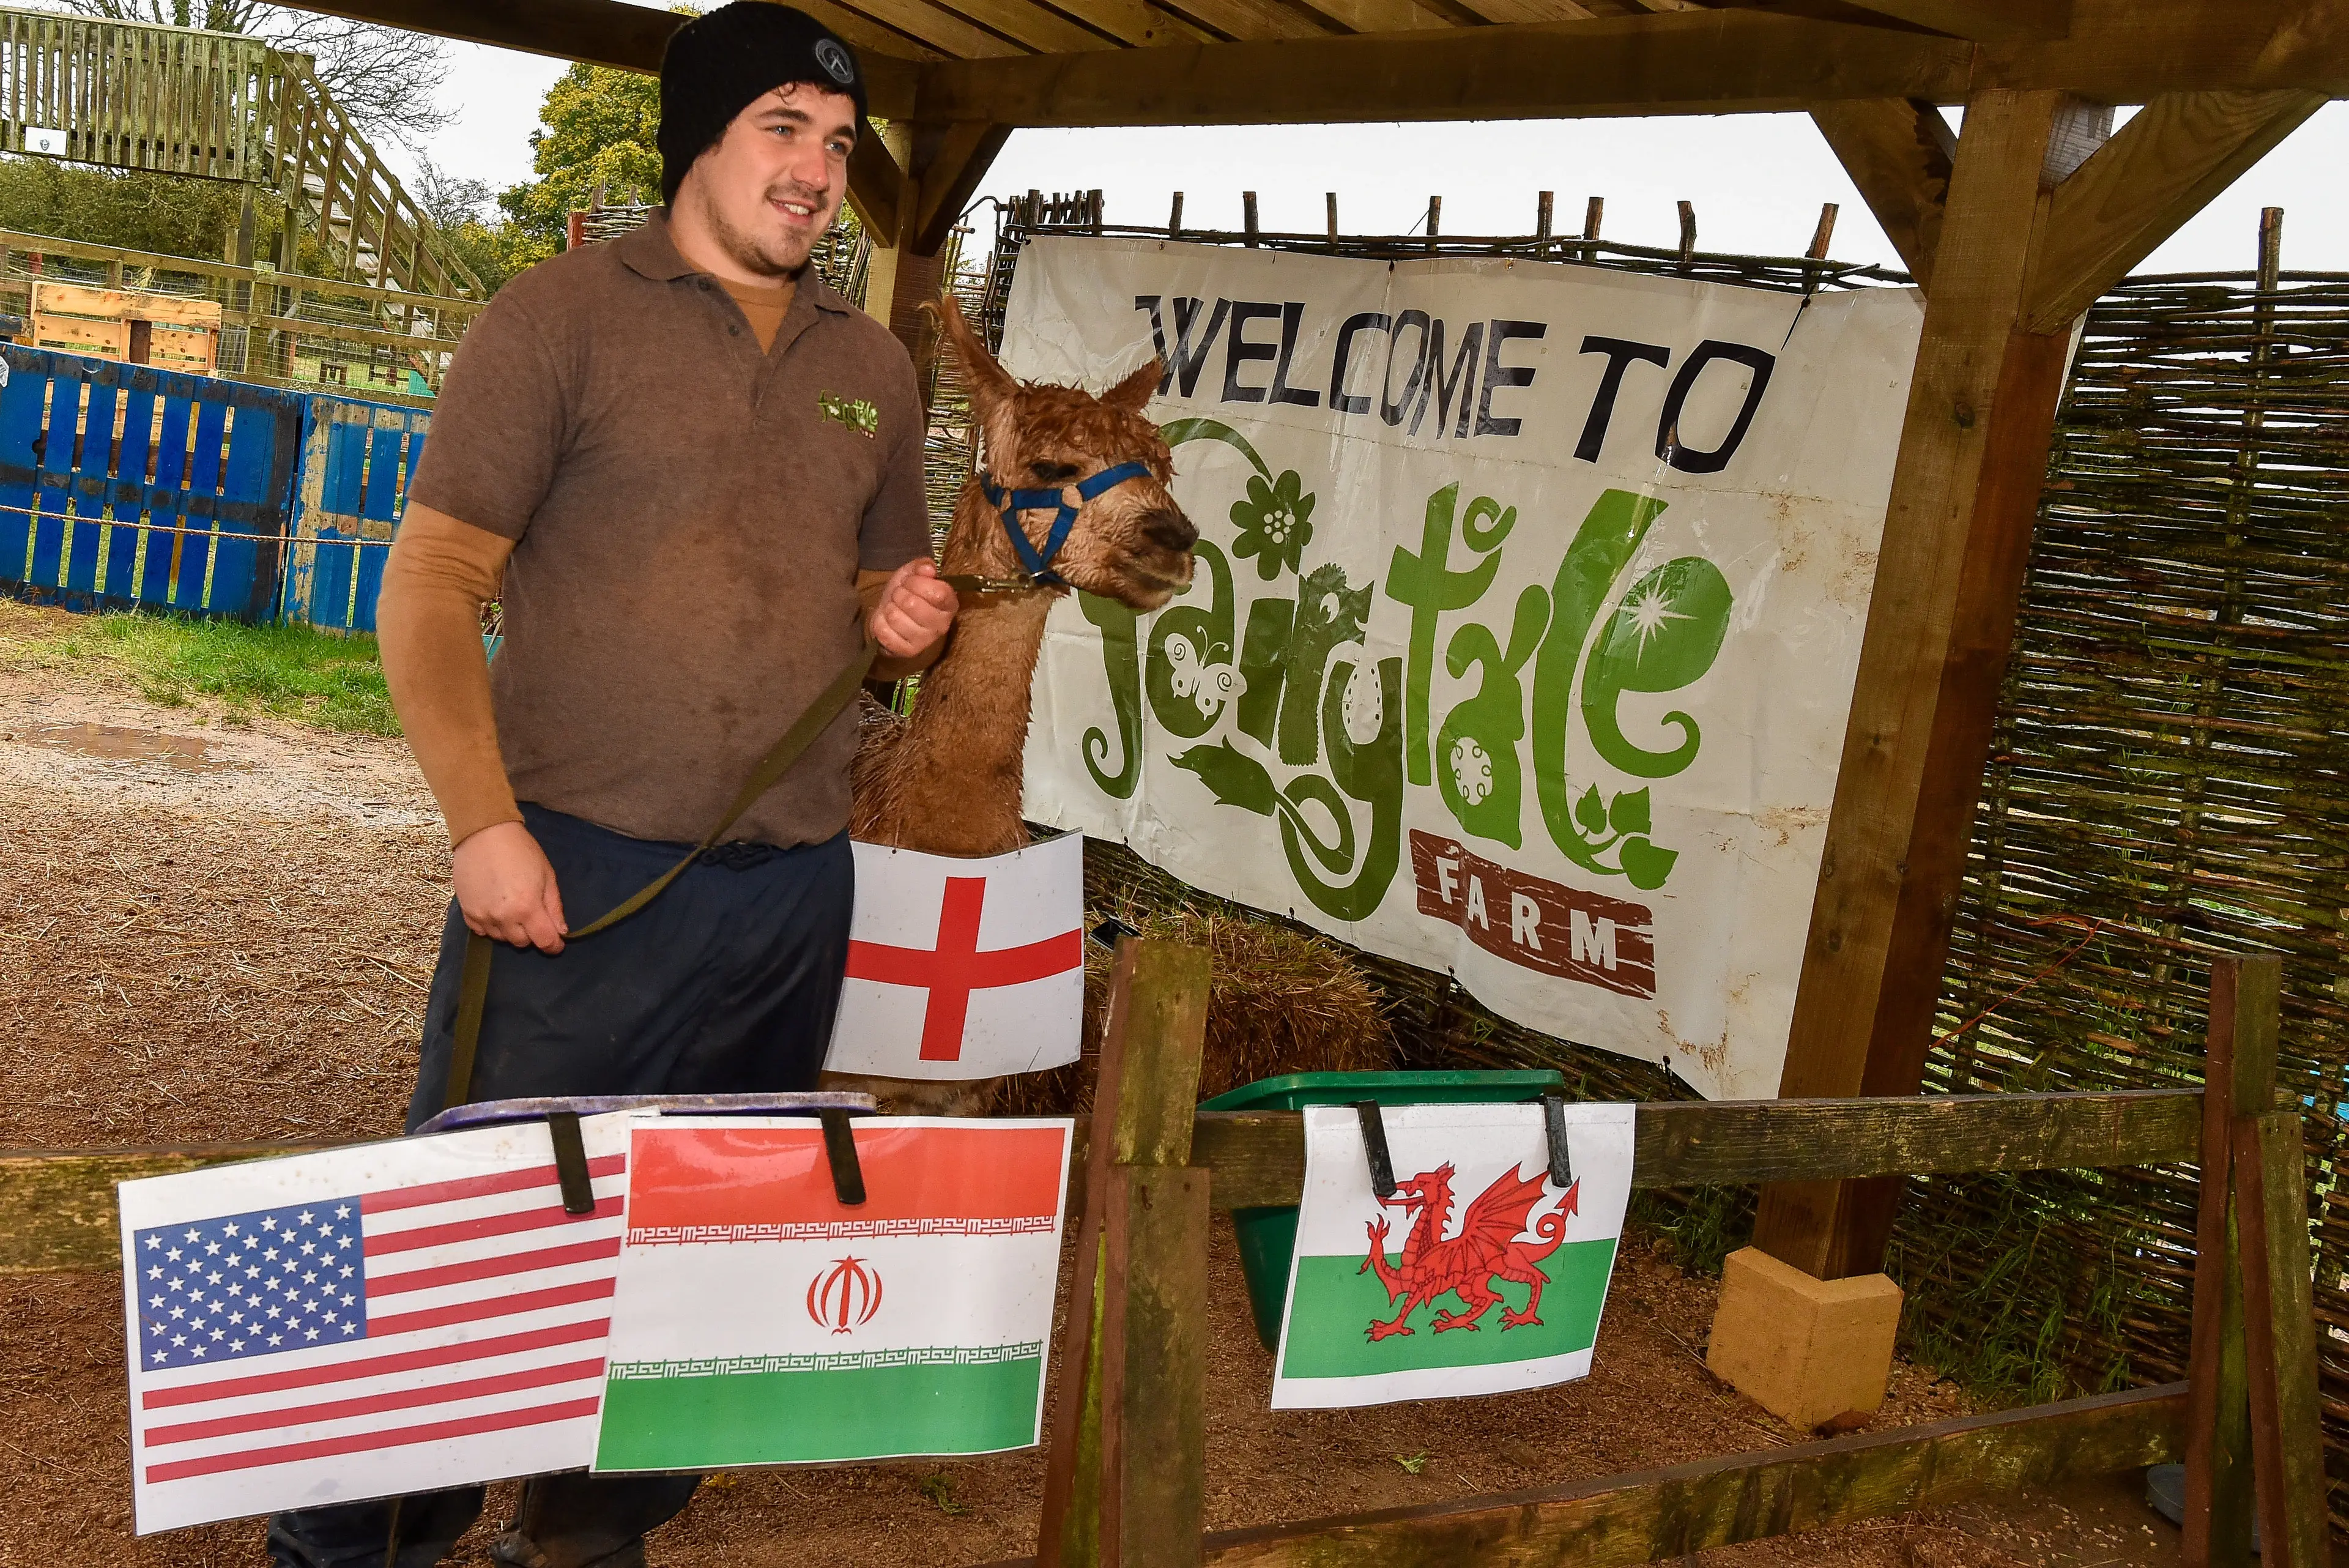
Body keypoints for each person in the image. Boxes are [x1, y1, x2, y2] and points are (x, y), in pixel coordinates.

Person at [264, 7, 957, 1565]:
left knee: (701, 1257)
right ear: (700, 137)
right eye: (783, 127)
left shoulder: (872, 370)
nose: (816, 174)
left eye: (841, 147)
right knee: (477, 1253)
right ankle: (357, 1544)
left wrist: (899, 623)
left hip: (791, 887)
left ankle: (586, 1542)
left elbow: (876, 602)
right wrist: (483, 824)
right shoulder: (559, 314)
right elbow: (432, 581)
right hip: (573, 876)